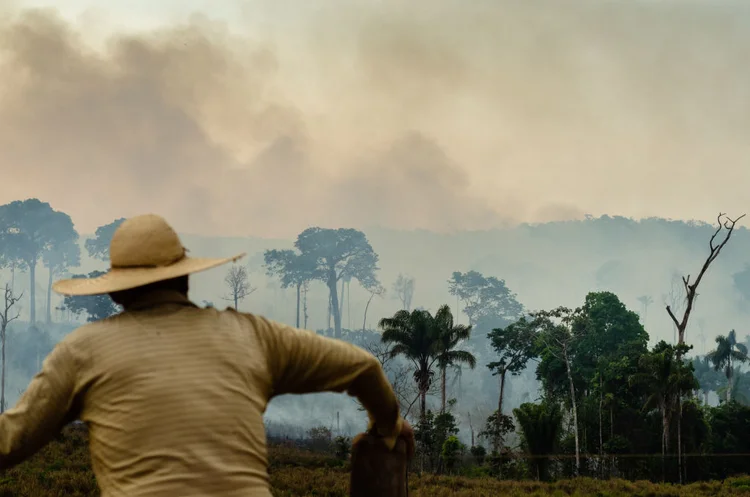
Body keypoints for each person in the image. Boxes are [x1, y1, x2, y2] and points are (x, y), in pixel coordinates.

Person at [0, 214, 414, 496]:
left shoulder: (81, 351)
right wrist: (388, 424)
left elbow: (9, 443)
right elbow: (364, 367)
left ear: (114, 291)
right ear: (185, 278)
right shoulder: (253, 335)